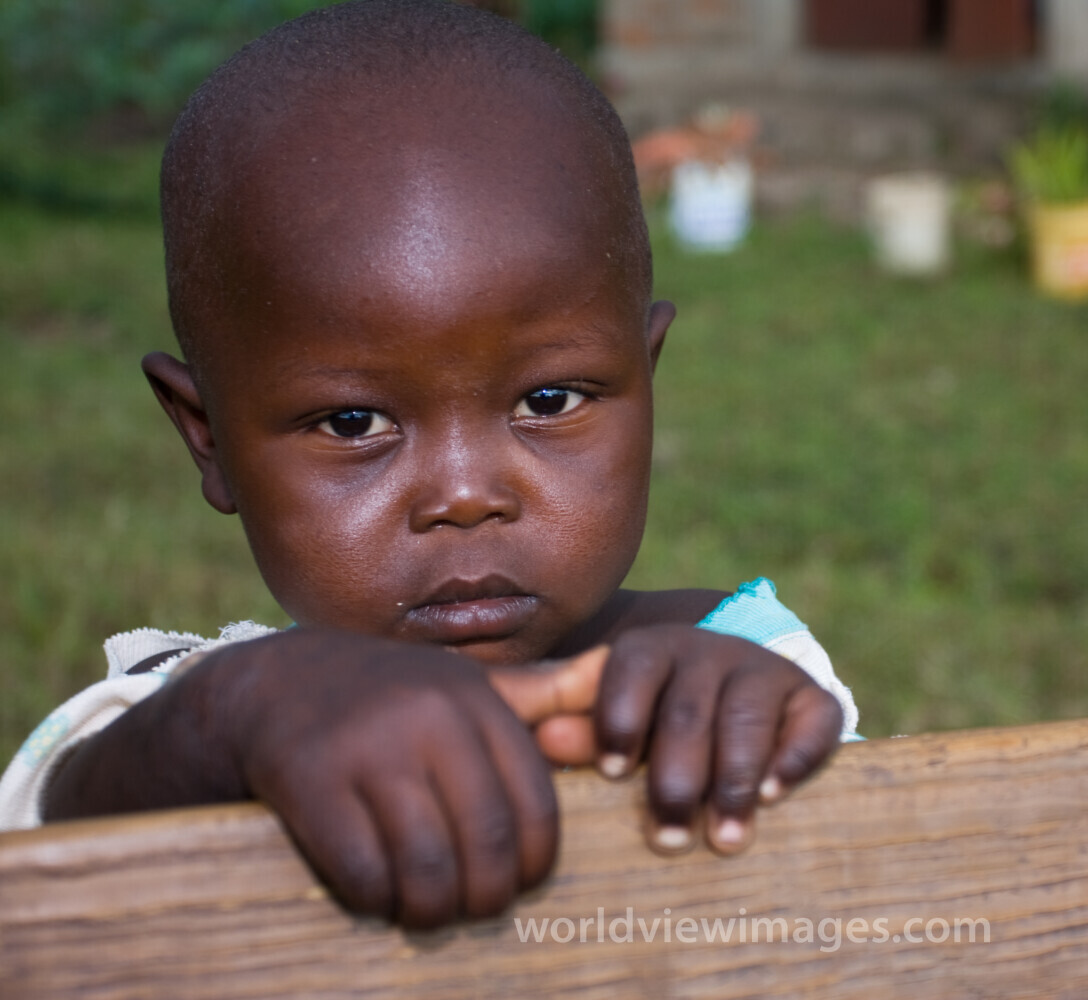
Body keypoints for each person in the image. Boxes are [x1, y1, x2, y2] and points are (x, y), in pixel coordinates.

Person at [0, 0, 858, 930]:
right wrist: (227, 715)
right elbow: (46, 823)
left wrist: (744, 731)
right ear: (206, 439)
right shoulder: (222, 715)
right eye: (353, 421)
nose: (464, 496)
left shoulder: (740, 666)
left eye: (550, 401)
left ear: (645, 385)